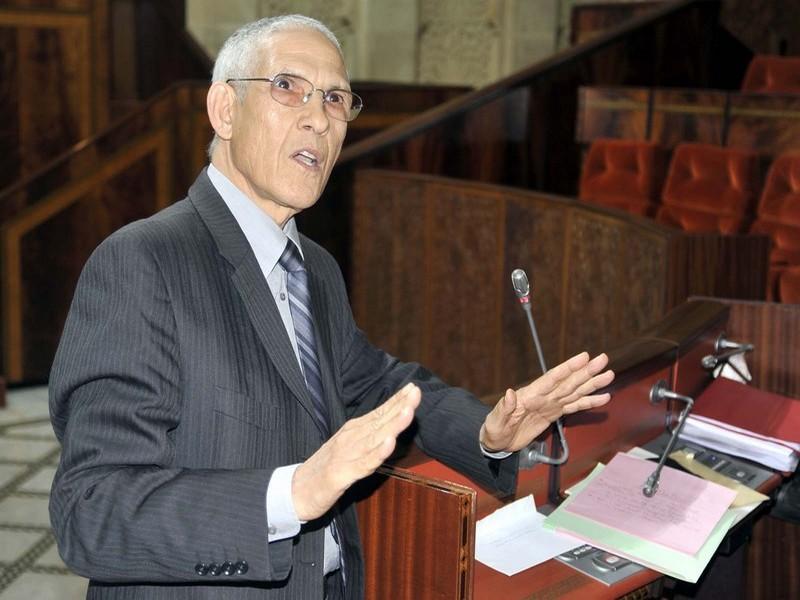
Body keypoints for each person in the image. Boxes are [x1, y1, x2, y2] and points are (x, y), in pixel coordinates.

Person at [48, 14, 614, 600]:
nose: (318, 119)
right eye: (288, 87)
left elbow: (386, 387)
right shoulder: (142, 262)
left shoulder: (312, 267)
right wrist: (292, 493)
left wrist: (490, 431)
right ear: (224, 109)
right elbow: (92, 512)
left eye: (337, 98)